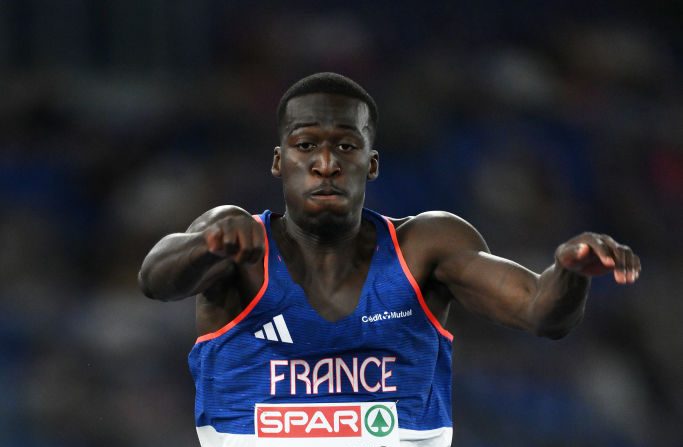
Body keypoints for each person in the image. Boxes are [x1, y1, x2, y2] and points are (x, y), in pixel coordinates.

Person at [138, 72, 641, 447]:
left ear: (371, 164)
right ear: (278, 161)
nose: (327, 164)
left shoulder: (427, 246)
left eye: (346, 147)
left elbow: (540, 311)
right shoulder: (237, 241)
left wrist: (570, 273)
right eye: (306, 145)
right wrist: (205, 245)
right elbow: (156, 279)